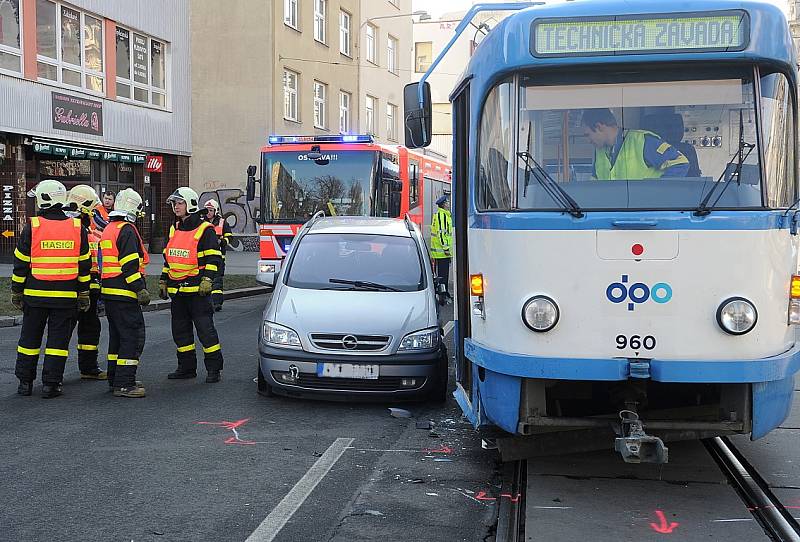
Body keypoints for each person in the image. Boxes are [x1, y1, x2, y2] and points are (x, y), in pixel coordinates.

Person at [11, 180, 91, 398]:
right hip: (65, 298)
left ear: (44, 199)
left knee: (29, 340)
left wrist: (17, 290)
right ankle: (51, 384)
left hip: (35, 296)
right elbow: (84, 265)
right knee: (57, 343)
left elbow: (21, 263)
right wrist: (83, 292)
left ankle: (25, 383)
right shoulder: (77, 227)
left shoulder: (33, 225)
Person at [161, 187, 224, 383]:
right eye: (174, 203)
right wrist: (164, 279)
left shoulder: (205, 230)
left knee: (206, 331)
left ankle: (214, 369)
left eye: (179, 203)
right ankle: (186, 367)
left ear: (190, 204)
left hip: (197, 292)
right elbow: (168, 258)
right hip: (178, 293)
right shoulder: (175, 228)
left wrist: (207, 280)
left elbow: (214, 259)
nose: (175, 207)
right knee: (180, 333)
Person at [99, 188, 150, 398]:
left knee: (117, 338)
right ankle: (125, 383)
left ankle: (115, 378)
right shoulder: (127, 230)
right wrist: (141, 289)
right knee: (132, 337)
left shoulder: (110, 228)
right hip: (124, 292)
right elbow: (129, 266)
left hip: (110, 292)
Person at [65, 185, 107, 381]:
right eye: (92, 208)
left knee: (90, 328)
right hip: (71, 287)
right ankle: (54, 373)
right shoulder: (69, 229)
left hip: (90, 288)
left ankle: (89, 367)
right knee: (63, 331)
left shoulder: (92, 229)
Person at [581, 108, 690, 181]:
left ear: (599, 127)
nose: (588, 140)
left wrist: (658, 194)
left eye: (588, 135)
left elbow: (680, 163)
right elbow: (595, 186)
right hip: (612, 214)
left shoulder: (642, 141)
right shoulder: (599, 152)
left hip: (645, 214)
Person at [204, 199, 232, 311]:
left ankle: (216, 303)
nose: (208, 213)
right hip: (204, 257)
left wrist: (223, 241)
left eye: (211, 210)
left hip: (219, 257)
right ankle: (206, 303)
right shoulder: (201, 222)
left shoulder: (222, 222)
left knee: (217, 281)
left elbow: (230, 237)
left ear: (215, 211)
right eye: (206, 210)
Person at [430, 194, 453, 304]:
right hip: (442, 252)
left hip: (442, 252)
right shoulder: (442, 216)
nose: (448, 204)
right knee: (443, 276)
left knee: (443, 275)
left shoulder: (445, 215)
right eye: (447, 202)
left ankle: (444, 294)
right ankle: (442, 297)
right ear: (443, 204)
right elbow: (442, 233)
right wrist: (446, 248)